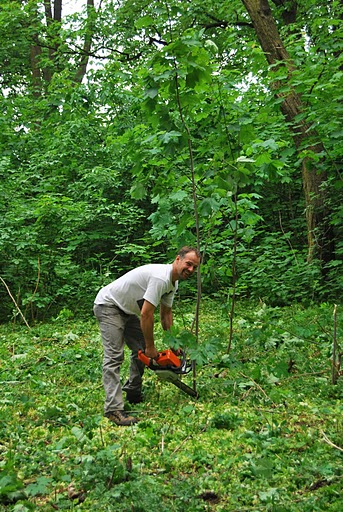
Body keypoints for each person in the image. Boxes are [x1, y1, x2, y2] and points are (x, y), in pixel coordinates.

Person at [93, 246, 201, 426]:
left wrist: (172, 342)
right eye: (188, 264)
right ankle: (113, 409)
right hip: (109, 305)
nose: (190, 270)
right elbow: (146, 314)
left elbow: (166, 314)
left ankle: (133, 391)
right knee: (114, 356)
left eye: (194, 267)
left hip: (126, 310)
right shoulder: (161, 278)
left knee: (140, 350)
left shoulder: (172, 284)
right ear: (178, 260)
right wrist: (151, 347)